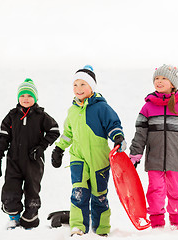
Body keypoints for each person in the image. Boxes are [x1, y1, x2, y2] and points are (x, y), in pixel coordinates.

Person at [51, 65, 126, 237]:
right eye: (75, 85)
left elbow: (113, 125)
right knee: (78, 192)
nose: (78, 89)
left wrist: (118, 138)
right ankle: (78, 227)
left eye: (83, 84)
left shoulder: (101, 108)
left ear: (92, 87)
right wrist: (59, 149)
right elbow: (68, 134)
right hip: (78, 157)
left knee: (99, 195)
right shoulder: (72, 111)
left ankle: (101, 229)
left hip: (99, 159)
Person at [129, 64, 178, 229]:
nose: (159, 81)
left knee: (175, 190)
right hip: (154, 158)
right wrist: (135, 156)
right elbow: (140, 134)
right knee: (155, 190)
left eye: (163, 78)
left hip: (175, 158)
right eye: (156, 78)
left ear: (173, 83)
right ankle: (157, 225)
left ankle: (176, 222)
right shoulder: (147, 107)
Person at [0, 78, 60, 229]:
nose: (25, 99)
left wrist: (41, 147)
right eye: (22, 96)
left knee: (32, 194)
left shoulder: (41, 116)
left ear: (35, 98)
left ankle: (29, 223)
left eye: (29, 96)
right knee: (10, 192)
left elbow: (54, 131)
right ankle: (14, 219)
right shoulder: (12, 116)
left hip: (33, 162)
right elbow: (4, 136)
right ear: (18, 98)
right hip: (14, 160)